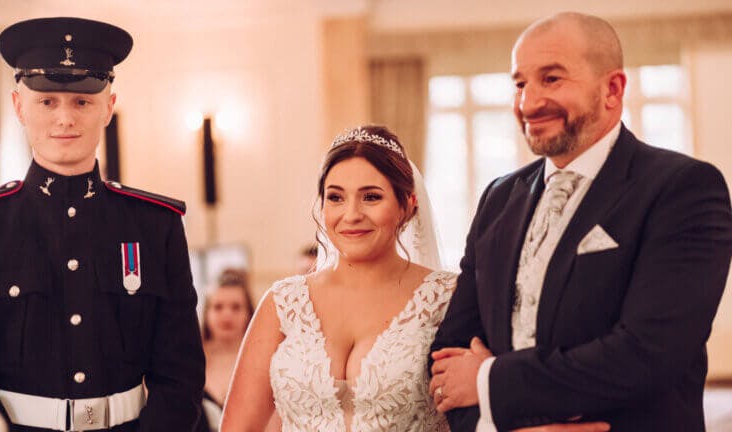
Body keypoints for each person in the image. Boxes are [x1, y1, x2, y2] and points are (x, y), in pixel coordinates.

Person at [429, 11, 732, 432]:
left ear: (612, 89)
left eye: (551, 79)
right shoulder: (499, 198)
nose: (528, 103)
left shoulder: (684, 188)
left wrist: (488, 379)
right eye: (520, 83)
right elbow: (449, 357)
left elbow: (649, 353)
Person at [0, 17, 205, 431]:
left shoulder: (156, 226)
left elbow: (180, 376)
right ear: (19, 107)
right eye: (47, 102)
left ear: (108, 108)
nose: (65, 119)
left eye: (82, 102)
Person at [220, 125, 457, 431]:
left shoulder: (446, 297)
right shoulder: (282, 303)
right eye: (336, 198)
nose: (351, 214)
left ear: (407, 205)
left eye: (371, 197)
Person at [196, 269, 254, 432]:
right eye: (218, 307)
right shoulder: (191, 361)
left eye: (236, 307)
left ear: (249, 313)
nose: (227, 315)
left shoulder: (263, 361)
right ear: (206, 313)